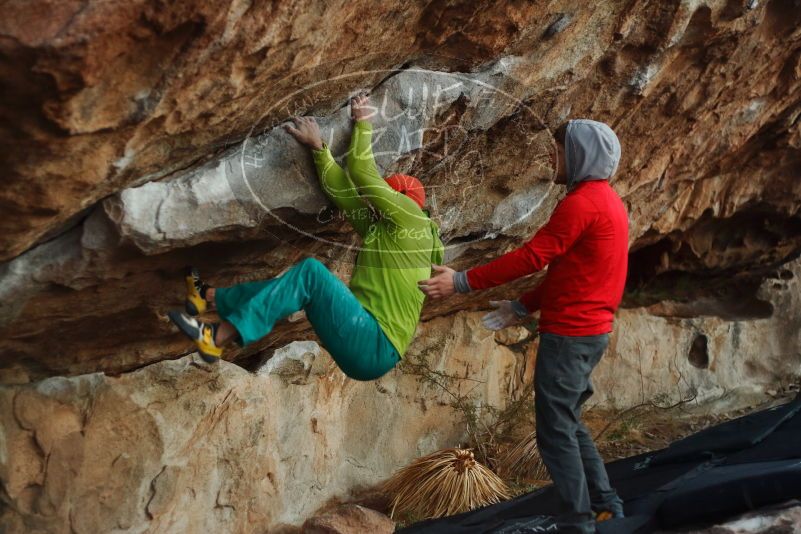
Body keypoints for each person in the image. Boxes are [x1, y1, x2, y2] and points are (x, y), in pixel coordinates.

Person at [419, 119, 628, 533]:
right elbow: (572, 275)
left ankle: (578, 522)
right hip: (589, 331)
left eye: (560, 149)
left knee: (553, 431)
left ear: (580, 154)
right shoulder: (607, 202)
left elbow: (534, 257)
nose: (553, 156)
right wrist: (522, 305)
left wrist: (461, 281)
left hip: (571, 335)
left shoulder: (582, 203)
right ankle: (607, 507)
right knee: (567, 421)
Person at [168, 93, 444, 381]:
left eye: (384, 201)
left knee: (311, 273)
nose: (376, 207)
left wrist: (363, 123)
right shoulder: (389, 234)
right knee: (292, 287)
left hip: (374, 341)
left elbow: (362, 173)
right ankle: (208, 297)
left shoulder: (411, 219)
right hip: (370, 346)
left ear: (400, 201)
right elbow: (346, 197)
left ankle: (216, 337)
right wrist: (319, 148)